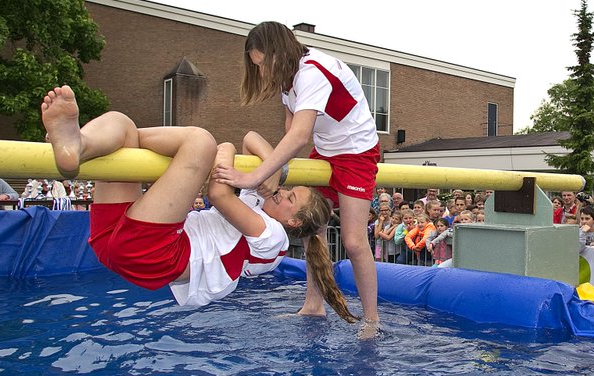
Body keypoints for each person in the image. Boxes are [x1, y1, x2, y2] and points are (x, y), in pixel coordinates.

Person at [39, 85, 355, 320]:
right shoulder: (254, 199)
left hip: (161, 254)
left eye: (289, 198)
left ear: (294, 222)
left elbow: (217, 193)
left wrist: (234, 157)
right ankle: (80, 145)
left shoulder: (273, 238)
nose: (281, 193)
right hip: (120, 243)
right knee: (120, 123)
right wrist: (273, 167)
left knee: (201, 141)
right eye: (288, 189)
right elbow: (248, 137)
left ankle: (111, 141)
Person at [216, 22, 380, 324]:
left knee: (354, 241)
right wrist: (274, 170)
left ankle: (371, 320)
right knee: (310, 226)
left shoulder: (313, 71)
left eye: (262, 64)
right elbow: (290, 130)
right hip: (327, 152)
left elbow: (300, 135)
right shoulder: (288, 80)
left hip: (356, 152)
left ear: (278, 53)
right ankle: (313, 303)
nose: (262, 72)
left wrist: (252, 178)